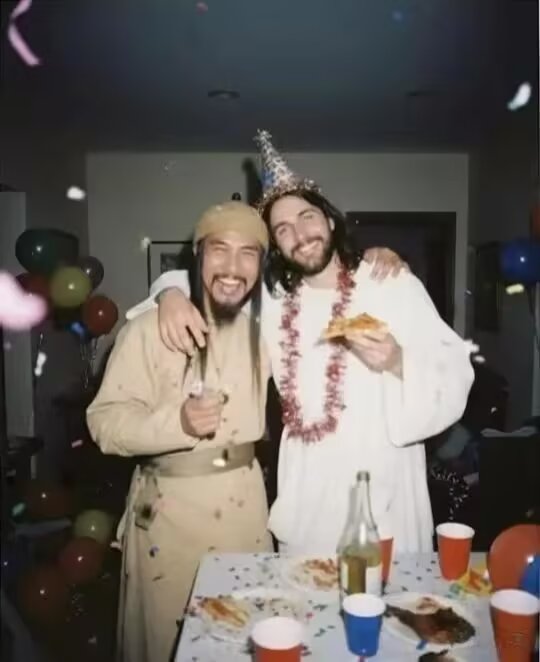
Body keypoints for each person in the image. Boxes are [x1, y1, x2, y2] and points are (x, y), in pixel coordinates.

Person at [128, 130, 475, 557]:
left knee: (386, 598)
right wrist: (169, 294)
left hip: (386, 496)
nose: (300, 234)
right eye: (283, 229)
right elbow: (210, 278)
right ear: (276, 245)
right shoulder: (272, 302)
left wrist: (398, 361)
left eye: (307, 217)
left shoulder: (392, 283)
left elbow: (454, 368)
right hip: (311, 500)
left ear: (329, 220)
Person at [87, 201, 274, 662]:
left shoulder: (264, 332)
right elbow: (104, 422)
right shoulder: (148, 330)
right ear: (198, 255)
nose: (233, 267)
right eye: (219, 249)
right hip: (169, 525)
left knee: (245, 642)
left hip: (246, 518)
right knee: (166, 644)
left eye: (248, 253)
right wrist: (179, 423)